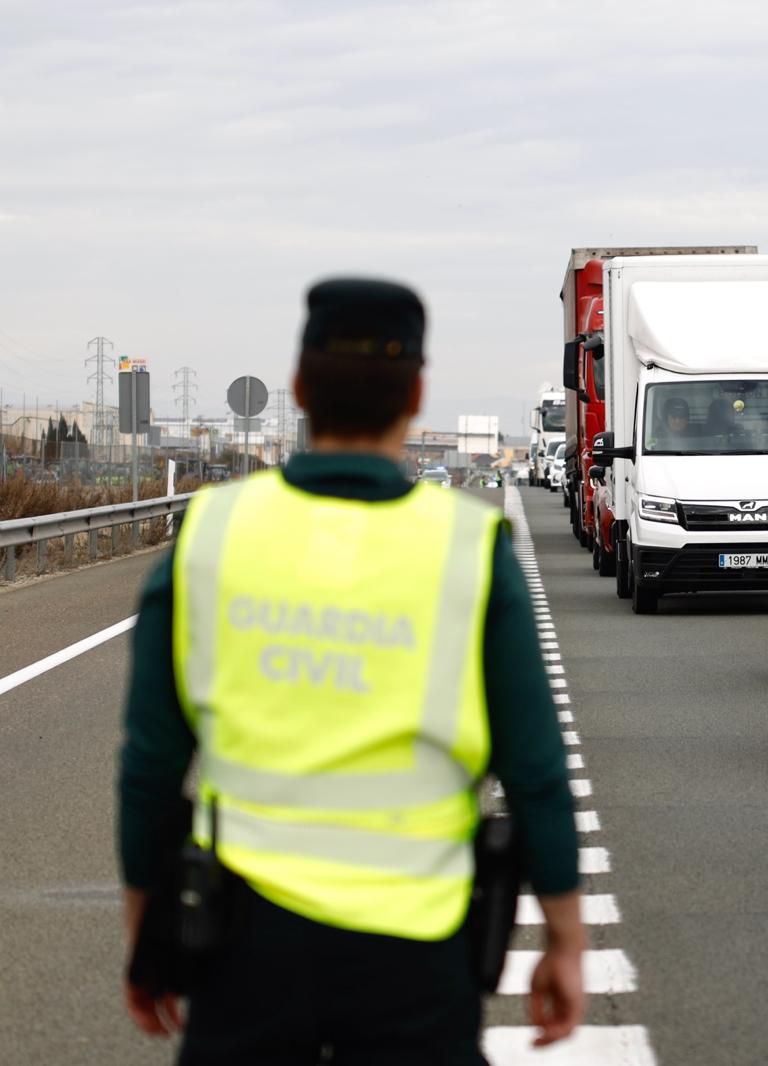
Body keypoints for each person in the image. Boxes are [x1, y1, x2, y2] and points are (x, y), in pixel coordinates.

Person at [118, 278, 586, 1064]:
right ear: (417, 395)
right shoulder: (468, 551)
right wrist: (566, 940)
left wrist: (146, 936)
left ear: (300, 388)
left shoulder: (209, 534)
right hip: (417, 955)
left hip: (239, 947)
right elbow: (534, 771)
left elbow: (149, 769)